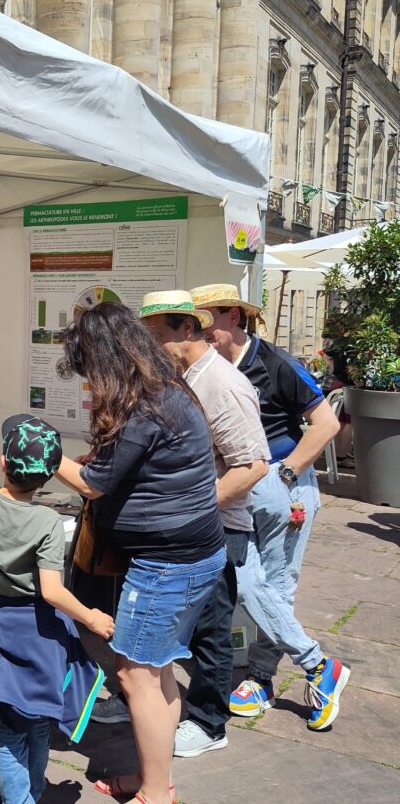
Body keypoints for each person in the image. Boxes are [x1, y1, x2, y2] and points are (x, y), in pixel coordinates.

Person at [53, 302, 225, 804]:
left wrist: (44, 451)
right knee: (159, 671)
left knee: (134, 676)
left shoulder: (146, 404)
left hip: (167, 565)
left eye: (89, 369)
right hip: (193, 555)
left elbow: (93, 483)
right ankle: (155, 779)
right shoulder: (164, 390)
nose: (89, 382)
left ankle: (154, 795)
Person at [191, 284, 348, 731]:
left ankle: (261, 679)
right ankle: (318, 666)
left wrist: (285, 475)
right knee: (245, 581)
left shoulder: (275, 362)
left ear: (234, 317)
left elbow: (327, 424)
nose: (202, 331)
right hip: (237, 487)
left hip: (282, 485)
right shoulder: (206, 367)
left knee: (275, 586)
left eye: (208, 320)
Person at [0, 393, 113, 804]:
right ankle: (30, 794)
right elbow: (53, 591)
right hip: (41, 635)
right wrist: (91, 617)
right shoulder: (46, 521)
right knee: (39, 722)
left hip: (2, 627)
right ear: (49, 476)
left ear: (3, 463)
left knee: (8, 729)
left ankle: (22, 797)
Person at [138, 291, 269, 757]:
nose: (150, 350)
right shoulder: (184, 377)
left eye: (156, 339)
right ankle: (177, 709)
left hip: (218, 526)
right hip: (189, 526)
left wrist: (195, 507)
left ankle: (210, 723)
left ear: (187, 330)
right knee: (187, 626)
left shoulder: (222, 383)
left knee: (212, 628)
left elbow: (252, 465)